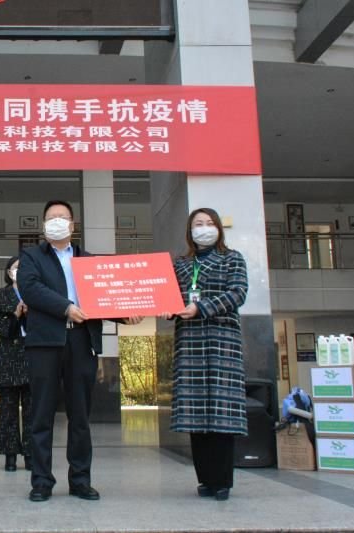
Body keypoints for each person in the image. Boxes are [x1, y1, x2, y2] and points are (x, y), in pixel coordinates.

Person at [18, 200, 141, 502]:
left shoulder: (90, 261)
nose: (57, 221)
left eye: (62, 217)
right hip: (45, 343)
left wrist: (124, 313)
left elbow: (102, 299)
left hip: (81, 341)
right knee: (41, 415)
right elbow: (31, 289)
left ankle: (81, 480)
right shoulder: (31, 256)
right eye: (51, 217)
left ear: (73, 225)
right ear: (43, 225)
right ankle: (41, 481)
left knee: (81, 416)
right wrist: (66, 307)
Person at [161, 207, 248, 501]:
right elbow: (171, 296)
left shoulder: (233, 258)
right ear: (190, 231)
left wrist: (201, 307)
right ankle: (205, 479)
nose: (204, 228)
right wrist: (166, 307)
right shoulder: (181, 264)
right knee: (195, 412)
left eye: (209, 223)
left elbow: (237, 294)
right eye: (198, 223)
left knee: (221, 412)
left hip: (222, 340)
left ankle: (222, 481)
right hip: (190, 342)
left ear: (219, 228)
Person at [0, 256, 32, 472]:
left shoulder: (36, 292)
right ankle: (10, 456)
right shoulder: (0, 294)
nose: (20, 271)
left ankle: (32, 455)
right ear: (8, 272)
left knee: (33, 410)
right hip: (8, 356)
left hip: (32, 354)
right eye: (16, 267)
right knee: (7, 410)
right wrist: (15, 315)